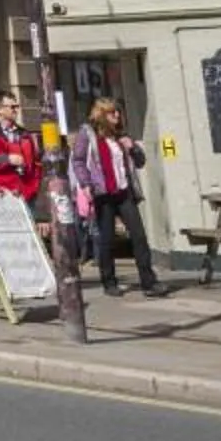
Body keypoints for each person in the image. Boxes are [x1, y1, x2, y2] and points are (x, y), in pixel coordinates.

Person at [69, 96, 171, 296]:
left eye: (118, 111)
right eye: (112, 112)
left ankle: (149, 282)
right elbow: (78, 160)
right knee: (107, 239)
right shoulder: (88, 133)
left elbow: (140, 162)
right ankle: (109, 282)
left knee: (139, 236)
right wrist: (86, 184)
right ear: (101, 115)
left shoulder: (120, 135)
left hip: (124, 192)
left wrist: (131, 147)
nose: (117, 115)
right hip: (103, 193)